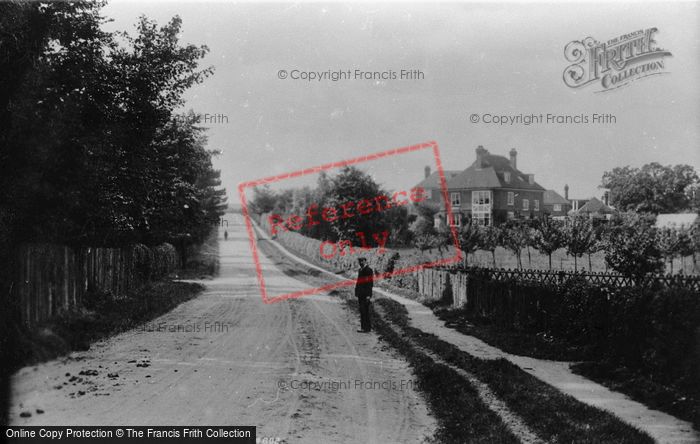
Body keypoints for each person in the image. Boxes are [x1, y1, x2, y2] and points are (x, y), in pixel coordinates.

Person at [355, 257, 374, 332]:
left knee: (364, 311)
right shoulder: (360, 270)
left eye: (362, 261)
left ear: (365, 261)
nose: (360, 263)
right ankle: (366, 327)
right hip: (360, 294)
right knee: (362, 311)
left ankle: (365, 328)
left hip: (365, 294)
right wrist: (357, 291)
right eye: (359, 261)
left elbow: (370, 284)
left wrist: (369, 295)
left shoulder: (368, 270)